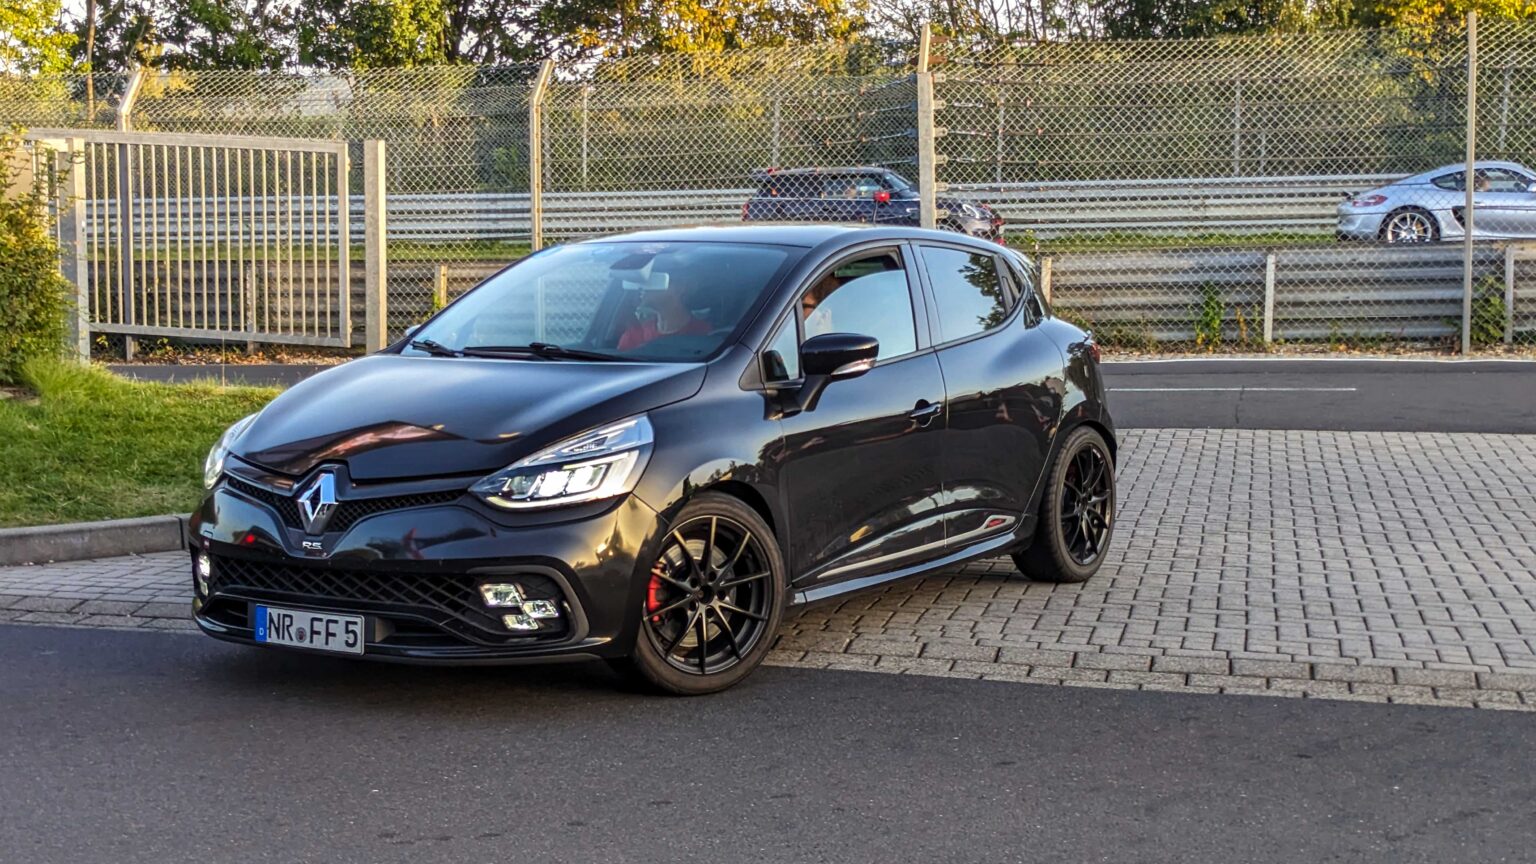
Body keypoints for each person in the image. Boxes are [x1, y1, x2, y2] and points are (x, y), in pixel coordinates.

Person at [618, 270, 712, 350]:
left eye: (654, 281)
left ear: (679, 288)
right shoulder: (633, 336)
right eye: (643, 281)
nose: (644, 287)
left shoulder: (705, 335)